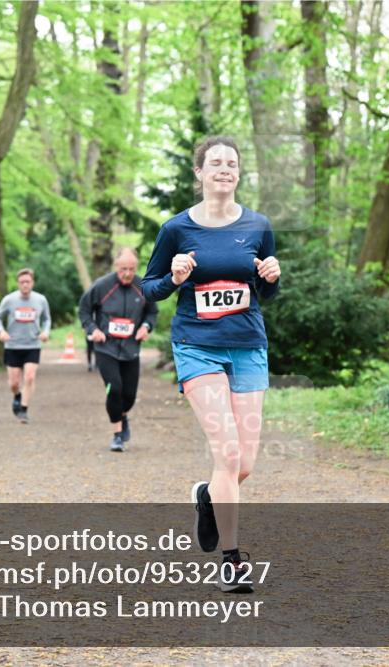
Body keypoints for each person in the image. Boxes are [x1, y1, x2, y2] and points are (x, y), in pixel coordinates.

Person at [142, 136, 280, 594]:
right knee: (228, 453)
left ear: (239, 174)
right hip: (197, 346)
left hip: (248, 347)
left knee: (244, 465)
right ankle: (232, 559)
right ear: (199, 173)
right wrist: (175, 277)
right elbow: (149, 288)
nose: (224, 169)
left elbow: (266, 292)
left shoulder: (259, 225)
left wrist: (271, 278)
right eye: (215, 163)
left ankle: (207, 495)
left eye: (232, 163)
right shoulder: (176, 229)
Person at [78, 248, 159, 452]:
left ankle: (122, 415)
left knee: (129, 396)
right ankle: (117, 435)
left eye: (131, 269)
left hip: (131, 349)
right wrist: (93, 329)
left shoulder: (142, 287)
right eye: (123, 269)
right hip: (106, 347)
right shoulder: (102, 286)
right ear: (116, 267)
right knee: (114, 389)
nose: (127, 274)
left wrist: (145, 327)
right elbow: (84, 310)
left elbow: (152, 313)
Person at [0, 268, 51, 424]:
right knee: (14, 383)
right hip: (13, 345)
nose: (25, 285)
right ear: (18, 283)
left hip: (33, 344)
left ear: (32, 283)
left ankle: (24, 409)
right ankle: (17, 395)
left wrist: (45, 332)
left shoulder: (41, 300)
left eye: (28, 282)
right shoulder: (9, 300)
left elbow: (47, 319)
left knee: (30, 377)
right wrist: (1, 331)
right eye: (22, 282)